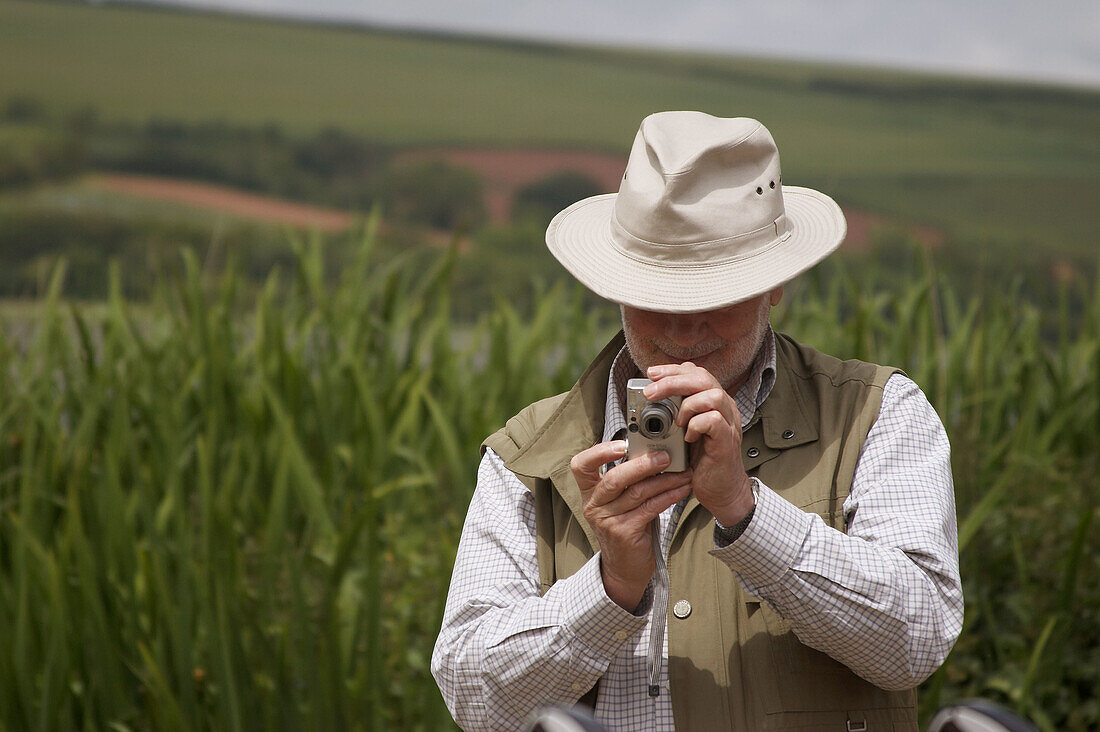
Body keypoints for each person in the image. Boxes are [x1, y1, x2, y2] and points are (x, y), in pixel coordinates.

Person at [432, 112, 963, 731]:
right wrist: (609, 589)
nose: (683, 328)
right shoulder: (530, 454)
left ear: (775, 285)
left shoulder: (877, 413)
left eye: (715, 294)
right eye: (655, 295)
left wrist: (747, 512)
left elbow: (916, 639)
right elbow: (472, 698)